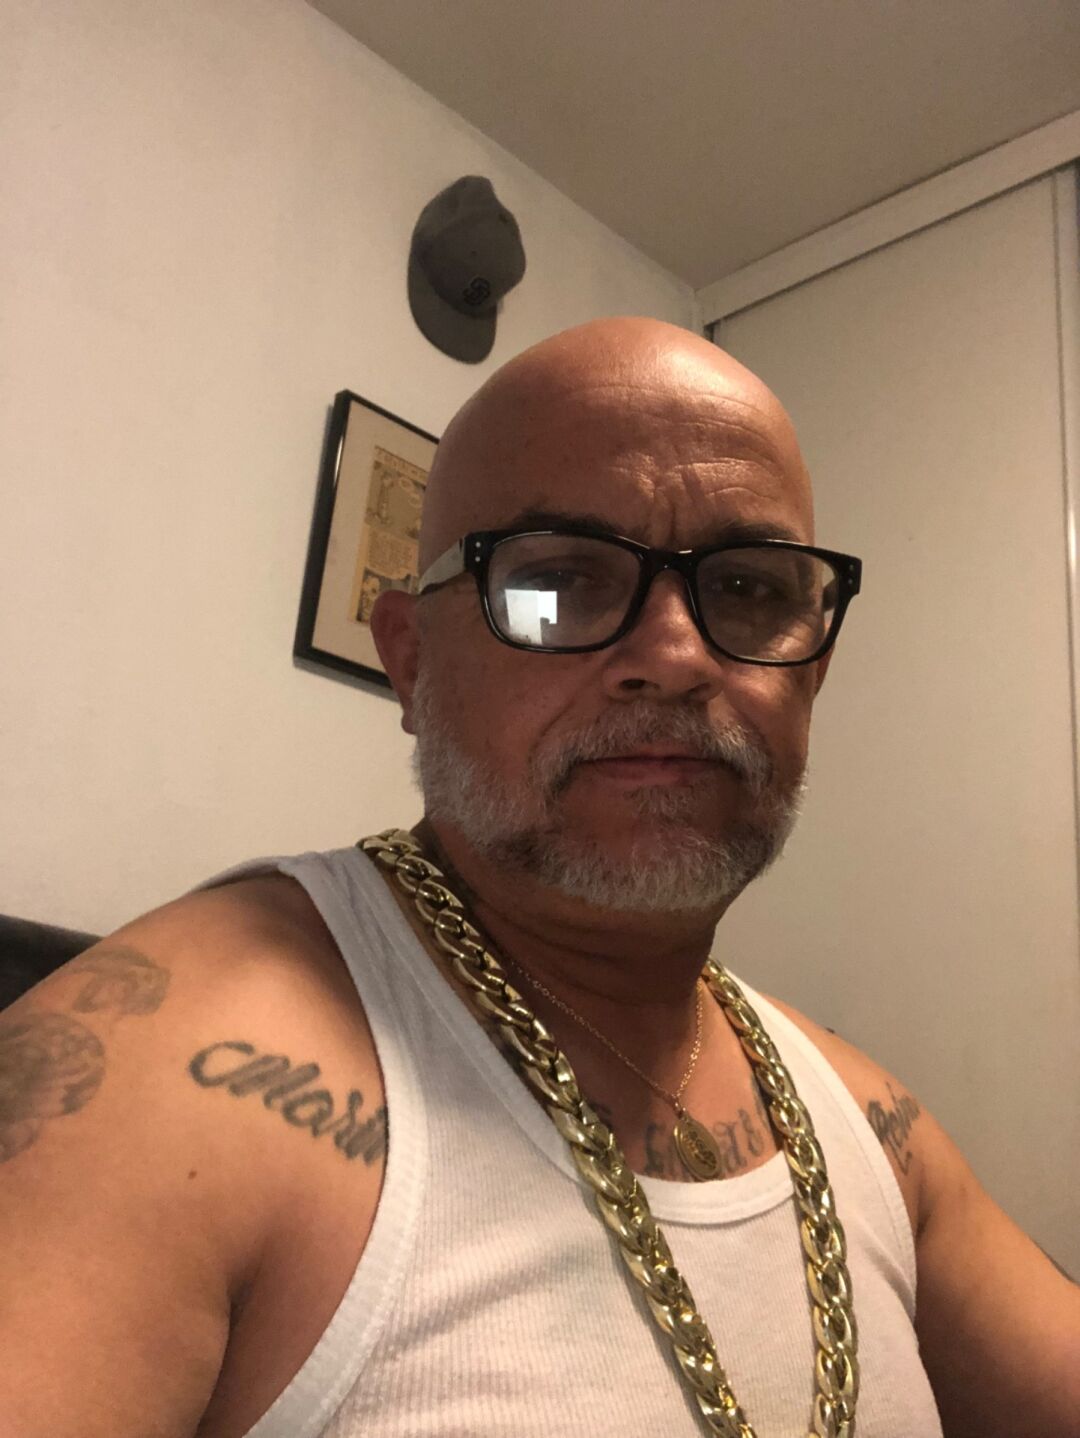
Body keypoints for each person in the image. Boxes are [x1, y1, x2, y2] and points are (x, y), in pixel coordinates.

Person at [2, 317, 1077, 1438]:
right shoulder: (162, 1078)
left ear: (814, 669)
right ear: (411, 660)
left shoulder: (866, 1123)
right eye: (558, 580)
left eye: (751, 589)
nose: (677, 656)